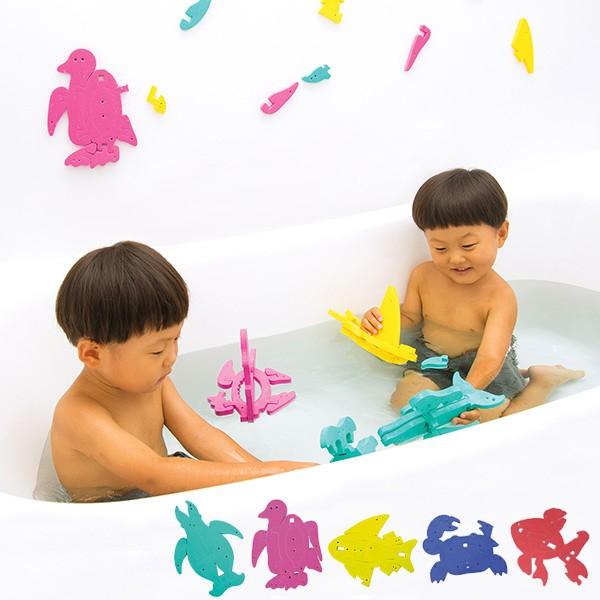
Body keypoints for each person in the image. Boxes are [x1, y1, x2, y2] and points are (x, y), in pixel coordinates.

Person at [34, 241, 314, 502]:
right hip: (113, 509)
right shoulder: (78, 415)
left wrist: (267, 475)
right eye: (157, 351)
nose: (171, 358)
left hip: (163, 484)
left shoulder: (152, 383)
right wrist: (272, 474)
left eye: (176, 339)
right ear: (93, 354)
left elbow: (200, 435)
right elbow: (154, 474)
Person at [361, 168, 584, 424]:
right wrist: (380, 322)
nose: (455, 258)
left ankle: (543, 381)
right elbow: (409, 318)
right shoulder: (423, 275)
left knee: (489, 421)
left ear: (501, 234)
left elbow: (491, 357)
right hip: (433, 358)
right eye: (440, 248)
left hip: (485, 367)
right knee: (403, 404)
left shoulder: (500, 297)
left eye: (468, 246)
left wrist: (464, 394)